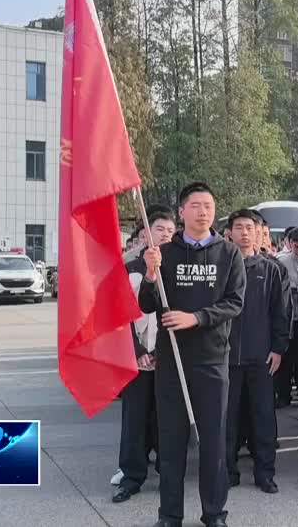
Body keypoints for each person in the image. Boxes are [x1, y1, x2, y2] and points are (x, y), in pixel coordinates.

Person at [139, 182, 245, 527]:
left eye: (209, 206)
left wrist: (195, 318)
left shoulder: (228, 253)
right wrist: (151, 273)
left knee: (213, 444)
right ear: (181, 211)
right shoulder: (164, 254)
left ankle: (214, 513)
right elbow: (146, 304)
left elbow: (234, 303)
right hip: (172, 363)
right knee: (171, 444)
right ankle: (169, 515)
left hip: (212, 361)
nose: (203, 211)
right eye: (196, 205)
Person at [112, 209, 177, 500]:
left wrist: (163, 351)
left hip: (169, 357)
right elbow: (119, 317)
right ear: (145, 233)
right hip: (136, 356)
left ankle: (168, 471)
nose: (165, 234)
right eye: (159, 228)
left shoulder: (178, 266)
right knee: (134, 419)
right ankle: (132, 475)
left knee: (165, 418)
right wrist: (137, 350)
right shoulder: (128, 269)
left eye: (170, 230)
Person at [224, 209, 288, 494]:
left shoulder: (272, 269)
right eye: (238, 227)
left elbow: (281, 313)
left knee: (264, 418)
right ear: (230, 232)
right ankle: (226, 471)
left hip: (262, 358)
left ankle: (265, 473)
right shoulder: (220, 266)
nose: (244, 232)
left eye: (249, 227)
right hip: (226, 358)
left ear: (259, 231)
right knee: (227, 419)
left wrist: (278, 348)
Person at [275, 228, 298, 408]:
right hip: (287, 318)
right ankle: (283, 395)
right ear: (290, 244)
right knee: (285, 358)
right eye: (295, 246)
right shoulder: (281, 262)